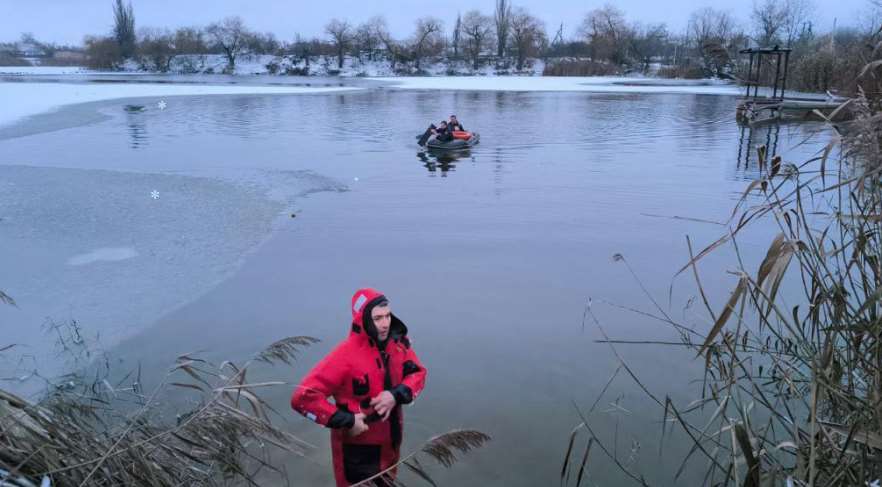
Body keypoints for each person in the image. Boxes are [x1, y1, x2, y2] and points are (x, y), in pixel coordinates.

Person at [291, 288, 427, 486]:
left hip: (391, 445)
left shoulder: (397, 346)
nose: (385, 323)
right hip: (357, 454)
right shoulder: (344, 356)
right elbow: (302, 398)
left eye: (388, 316)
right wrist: (345, 420)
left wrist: (396, 395)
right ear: (362, 319)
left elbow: (418, 373)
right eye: (378, 318)